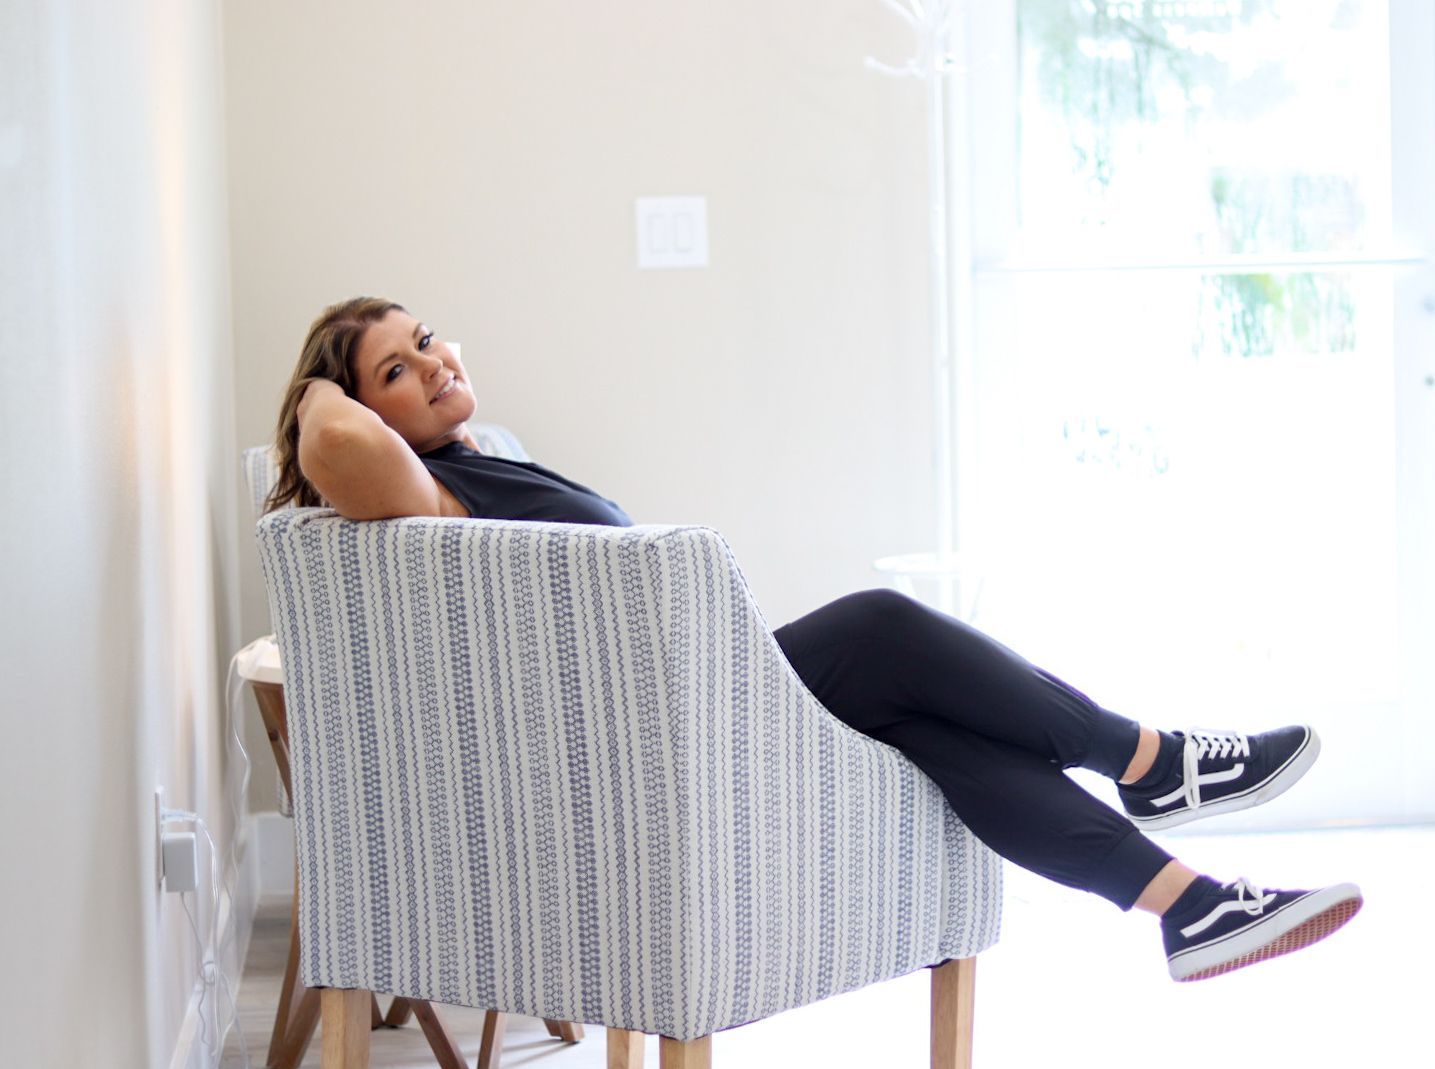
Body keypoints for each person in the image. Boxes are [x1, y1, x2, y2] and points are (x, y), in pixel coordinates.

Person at [266, 296, 1363, 983]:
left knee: (934, 727)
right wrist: (316, 383)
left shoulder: (472, 458)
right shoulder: (417, 493)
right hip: (667, 724)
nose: (430, 363)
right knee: (879, 627)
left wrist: (372, 366)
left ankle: (1185, 904)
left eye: (425, 339)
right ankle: (1149, 759)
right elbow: (339, 447)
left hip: (689, 694)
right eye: (394, 372)